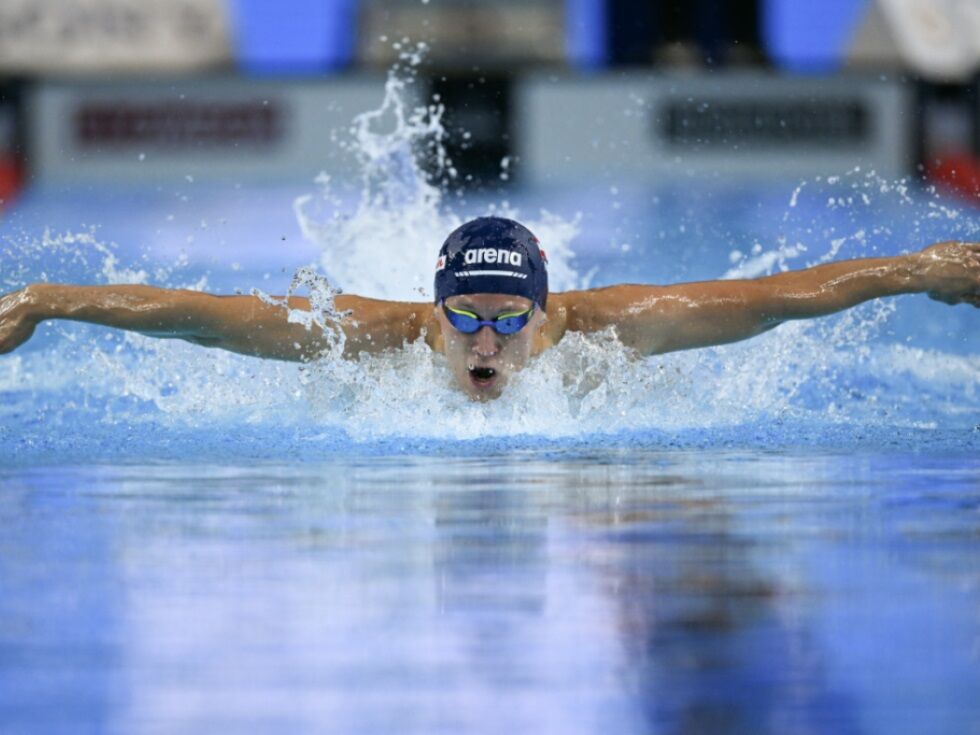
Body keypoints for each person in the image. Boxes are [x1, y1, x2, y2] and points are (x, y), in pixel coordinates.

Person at [0, 216, 977, 401]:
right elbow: (195, 312)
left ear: (545, 316)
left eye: (511, 320)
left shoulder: (617, 324)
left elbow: (788, 296)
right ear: (430, 313)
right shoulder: (368, 334)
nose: (484, 341)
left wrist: (925, 266)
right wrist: (46, 300)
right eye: (465, 316)